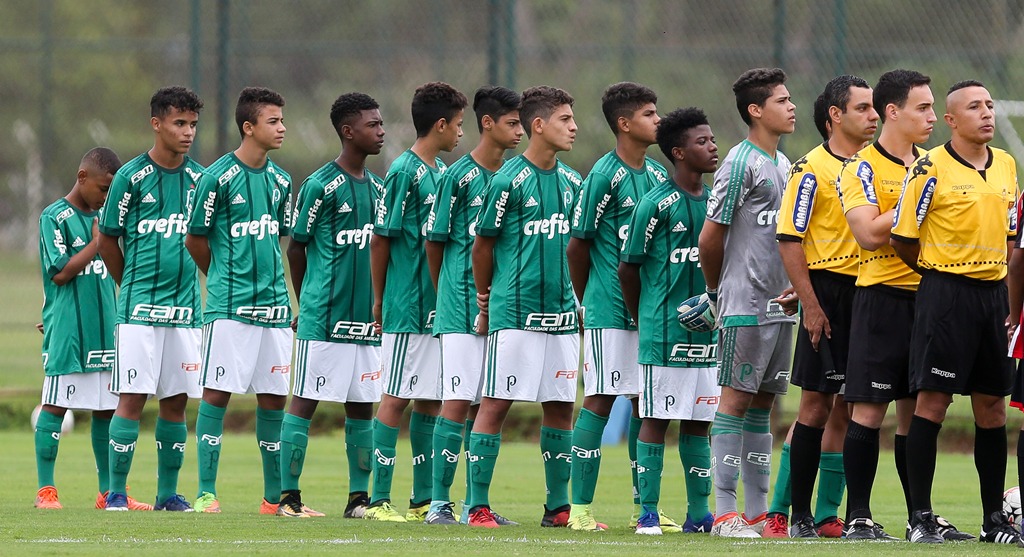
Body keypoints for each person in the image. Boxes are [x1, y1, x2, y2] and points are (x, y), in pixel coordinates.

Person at [836, 70, 969, 541]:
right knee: (869, 411)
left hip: (932, 300)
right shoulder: (862, 167)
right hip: (881, 299)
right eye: (923, 108)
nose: (933, 117)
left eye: (934, 107)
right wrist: (918, 196)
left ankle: (922, 518)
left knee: (921, 414)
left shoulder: (939, 163)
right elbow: (869, 234)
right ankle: (859, 518)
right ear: (892, 111)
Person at [893, 80, 1021, 545]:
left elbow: (1011, 235)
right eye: (975, 106)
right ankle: (920, 518)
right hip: (946, 295)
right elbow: (904, 237)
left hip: (994, 297)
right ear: (951, 120)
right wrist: (940, 276)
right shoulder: (929, 167)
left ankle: (994, 521)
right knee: (934, 402)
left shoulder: (1006, 165)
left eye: (990, 104)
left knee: (993, 408)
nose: (987, 113)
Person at [465, 85, 582, 528]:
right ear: (539, 125)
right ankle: (477, 506)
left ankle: (558, 507)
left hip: (563, 317)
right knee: (496, 402)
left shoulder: (574, 182)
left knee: (559, 406)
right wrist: (485, 298)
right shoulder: (506, 180)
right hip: (515, 313)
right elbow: (482, 246)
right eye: (565, 119)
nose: (573, 127)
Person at [770, 75, 878, 538]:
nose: (874, 116)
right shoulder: (810, 169)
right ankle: (792, 515)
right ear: (836, 115)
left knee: (858, 407)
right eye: (863, 108)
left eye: (875, 108)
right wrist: (811, 304)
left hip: (875, 291)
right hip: (830, 293)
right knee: (815, 406)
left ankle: (839, 515)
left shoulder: (879, 165)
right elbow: (789, 239)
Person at [694, 67, 798, 538]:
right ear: (756, 110)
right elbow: (709, 239)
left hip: (781, 306)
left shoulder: (784, 164)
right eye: (782, 100)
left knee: (763, 406)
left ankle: (757, 514)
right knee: (734, 403)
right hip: (743, 304)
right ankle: (723, 514)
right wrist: (718, 294)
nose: (791, 106)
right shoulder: (740, 163)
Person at [566, 82, 671, 532]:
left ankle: (643, 508)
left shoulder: (657, 176)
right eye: (650, 113)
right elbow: (578, 245)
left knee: (645, 404)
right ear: (625, 124)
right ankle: (581, 510)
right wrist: (587, 299)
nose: (658, 120)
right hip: (609, 309)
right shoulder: (602, 176)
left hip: (647, 311)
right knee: (601, 397)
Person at [97, 86, 207, 512]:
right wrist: (131, 284)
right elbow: (108, 239)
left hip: (185, 312)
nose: (188, 132)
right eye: (180, 123)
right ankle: (117, 493)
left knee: (176, 402)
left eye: (193, 124)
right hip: (139, 310)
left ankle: (167, 495)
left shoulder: (201, 179)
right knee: (132, 399)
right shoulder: (131, 177)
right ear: (157, 124)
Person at [276, 92, 386, 518]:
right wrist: (308, 301)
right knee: (304, 400)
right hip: (324, 319)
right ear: (348, 131)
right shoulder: (321, 185)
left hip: (366, 321)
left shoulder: (379, 188)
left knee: (362, 407)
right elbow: (296, 250)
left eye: (380, 123)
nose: (380, 131)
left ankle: (358, 500)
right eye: (372, 125)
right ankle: (289, 499)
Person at [185, 87, 294, 515]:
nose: (282, 127)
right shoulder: (216, 178)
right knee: (216, 395)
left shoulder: (282, 180)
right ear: (248, 127)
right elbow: (195, 237)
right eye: (273, 121)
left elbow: (280, 237)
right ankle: (207, 492)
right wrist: (223, 277)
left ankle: (273, 499)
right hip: (229, 310)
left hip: (275, 310)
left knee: (272, 399)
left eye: (282, 120)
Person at [365, 82, 467, 522]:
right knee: (396, 396)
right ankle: (378, 500)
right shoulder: (404, 170)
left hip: (436, 305)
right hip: (407, 303)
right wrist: (379, 299)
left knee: (429, 398)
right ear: (440, 124)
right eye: (459, 124)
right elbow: (381, 239)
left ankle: (423, 498)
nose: (461, 133)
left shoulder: (441, 171)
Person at [424, 85, 522, 525]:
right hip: (462, 306)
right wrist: (447, 293)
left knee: (491, 402)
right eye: (513, 123)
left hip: (501, 308)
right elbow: (435, 243)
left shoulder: (516, 176)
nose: (519, 131)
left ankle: (475, 504)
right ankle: (438, 503)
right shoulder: (456, 176)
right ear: (489, 123)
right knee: (457, 399)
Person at [619, 107, 719, 535]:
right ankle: (649, 513)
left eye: (712, 139)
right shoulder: (655, 204)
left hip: (709, 336)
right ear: (679, 152)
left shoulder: (717, 202)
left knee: (700, 425)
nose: (712, 146)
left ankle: (700, 515)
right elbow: (628, 268)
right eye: (702, 141)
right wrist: (644, 315)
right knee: (656, 420)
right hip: (663, 334)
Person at [35, 148, 123, 510]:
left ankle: (107, 492)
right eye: (103, 189)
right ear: (82, 177)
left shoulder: (107, 217)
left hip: (106, 326)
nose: (107, 197)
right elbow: (60, 272)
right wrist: (97, 243)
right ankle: (46, 490)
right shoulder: (53, 217)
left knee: (106, 410)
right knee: (55, 405)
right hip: (69, 331)